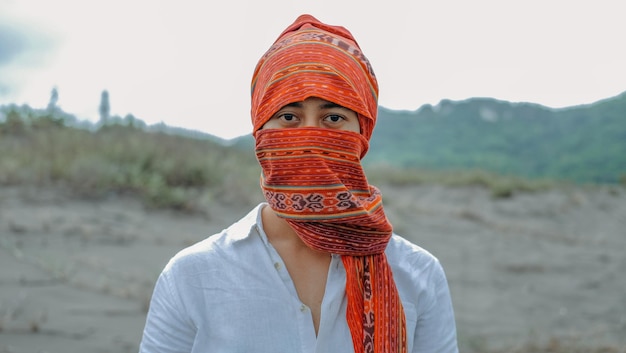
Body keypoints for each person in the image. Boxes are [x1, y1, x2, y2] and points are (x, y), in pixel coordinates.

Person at [139, 14, 458, 353]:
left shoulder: (417, 274)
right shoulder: (193, 276)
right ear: (260, 132)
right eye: (288, 117)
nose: (309, 136)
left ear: (361, 134)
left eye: (333, 118)